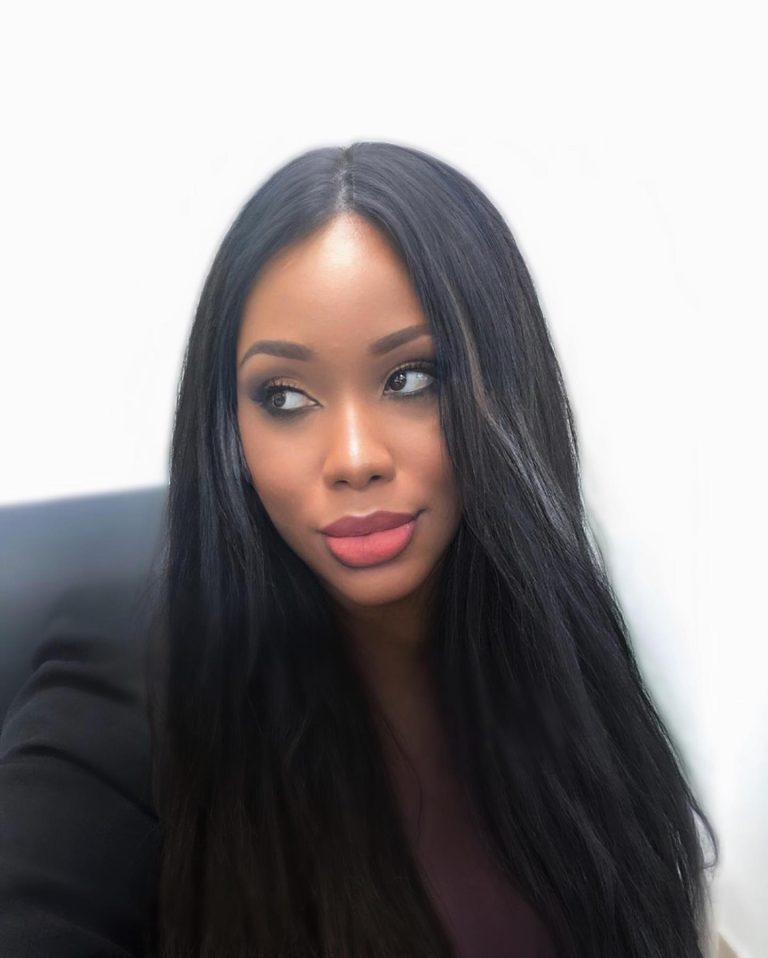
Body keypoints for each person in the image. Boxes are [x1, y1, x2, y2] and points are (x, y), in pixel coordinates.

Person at [0, 141, 718, 957]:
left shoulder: (559, 640)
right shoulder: (130, 686)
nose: (352, 458)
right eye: (285, 397)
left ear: (506, 388)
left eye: (411, 379)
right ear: (228, 426)